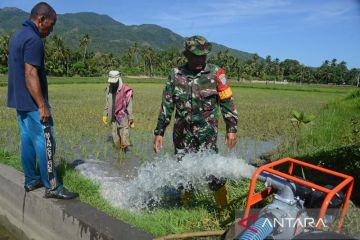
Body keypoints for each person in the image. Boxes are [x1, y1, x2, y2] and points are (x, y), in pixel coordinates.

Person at [153, 35, 238, 209]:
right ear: (187, 55)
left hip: (207, 133)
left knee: (213, 171)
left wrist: (232, 128)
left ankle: (223, 208)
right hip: (182, 134)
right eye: (196, 56)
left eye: (203, 55)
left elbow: (227, 102)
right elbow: (167, 105)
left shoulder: (217, 74)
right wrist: (159, 132)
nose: (200, 59)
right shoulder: (175, 75)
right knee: (184, 171)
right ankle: (186, 208)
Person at [7, 2, 78, 199]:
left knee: (27, 141)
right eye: (51, 25)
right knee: (46, 142)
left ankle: (31, 180)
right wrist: (42, 105)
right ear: (41, 20)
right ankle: (52, 186)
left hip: (20, 101)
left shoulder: (17, 36)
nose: (51, 30)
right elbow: (30, 74)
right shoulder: (33, 39)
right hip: (32, 103)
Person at [103, 70, 134, 153]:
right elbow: (107, 102)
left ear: (118, 78)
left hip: (122, 117)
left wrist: (131, 118)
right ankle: (118, 156)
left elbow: (129, 105)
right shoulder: (108, 88)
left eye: (114, 82)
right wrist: (105, 114)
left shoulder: (126, 89)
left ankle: (126, 155)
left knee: (124, 137)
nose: (112, 83)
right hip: (112, 116)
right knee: (115, 137)